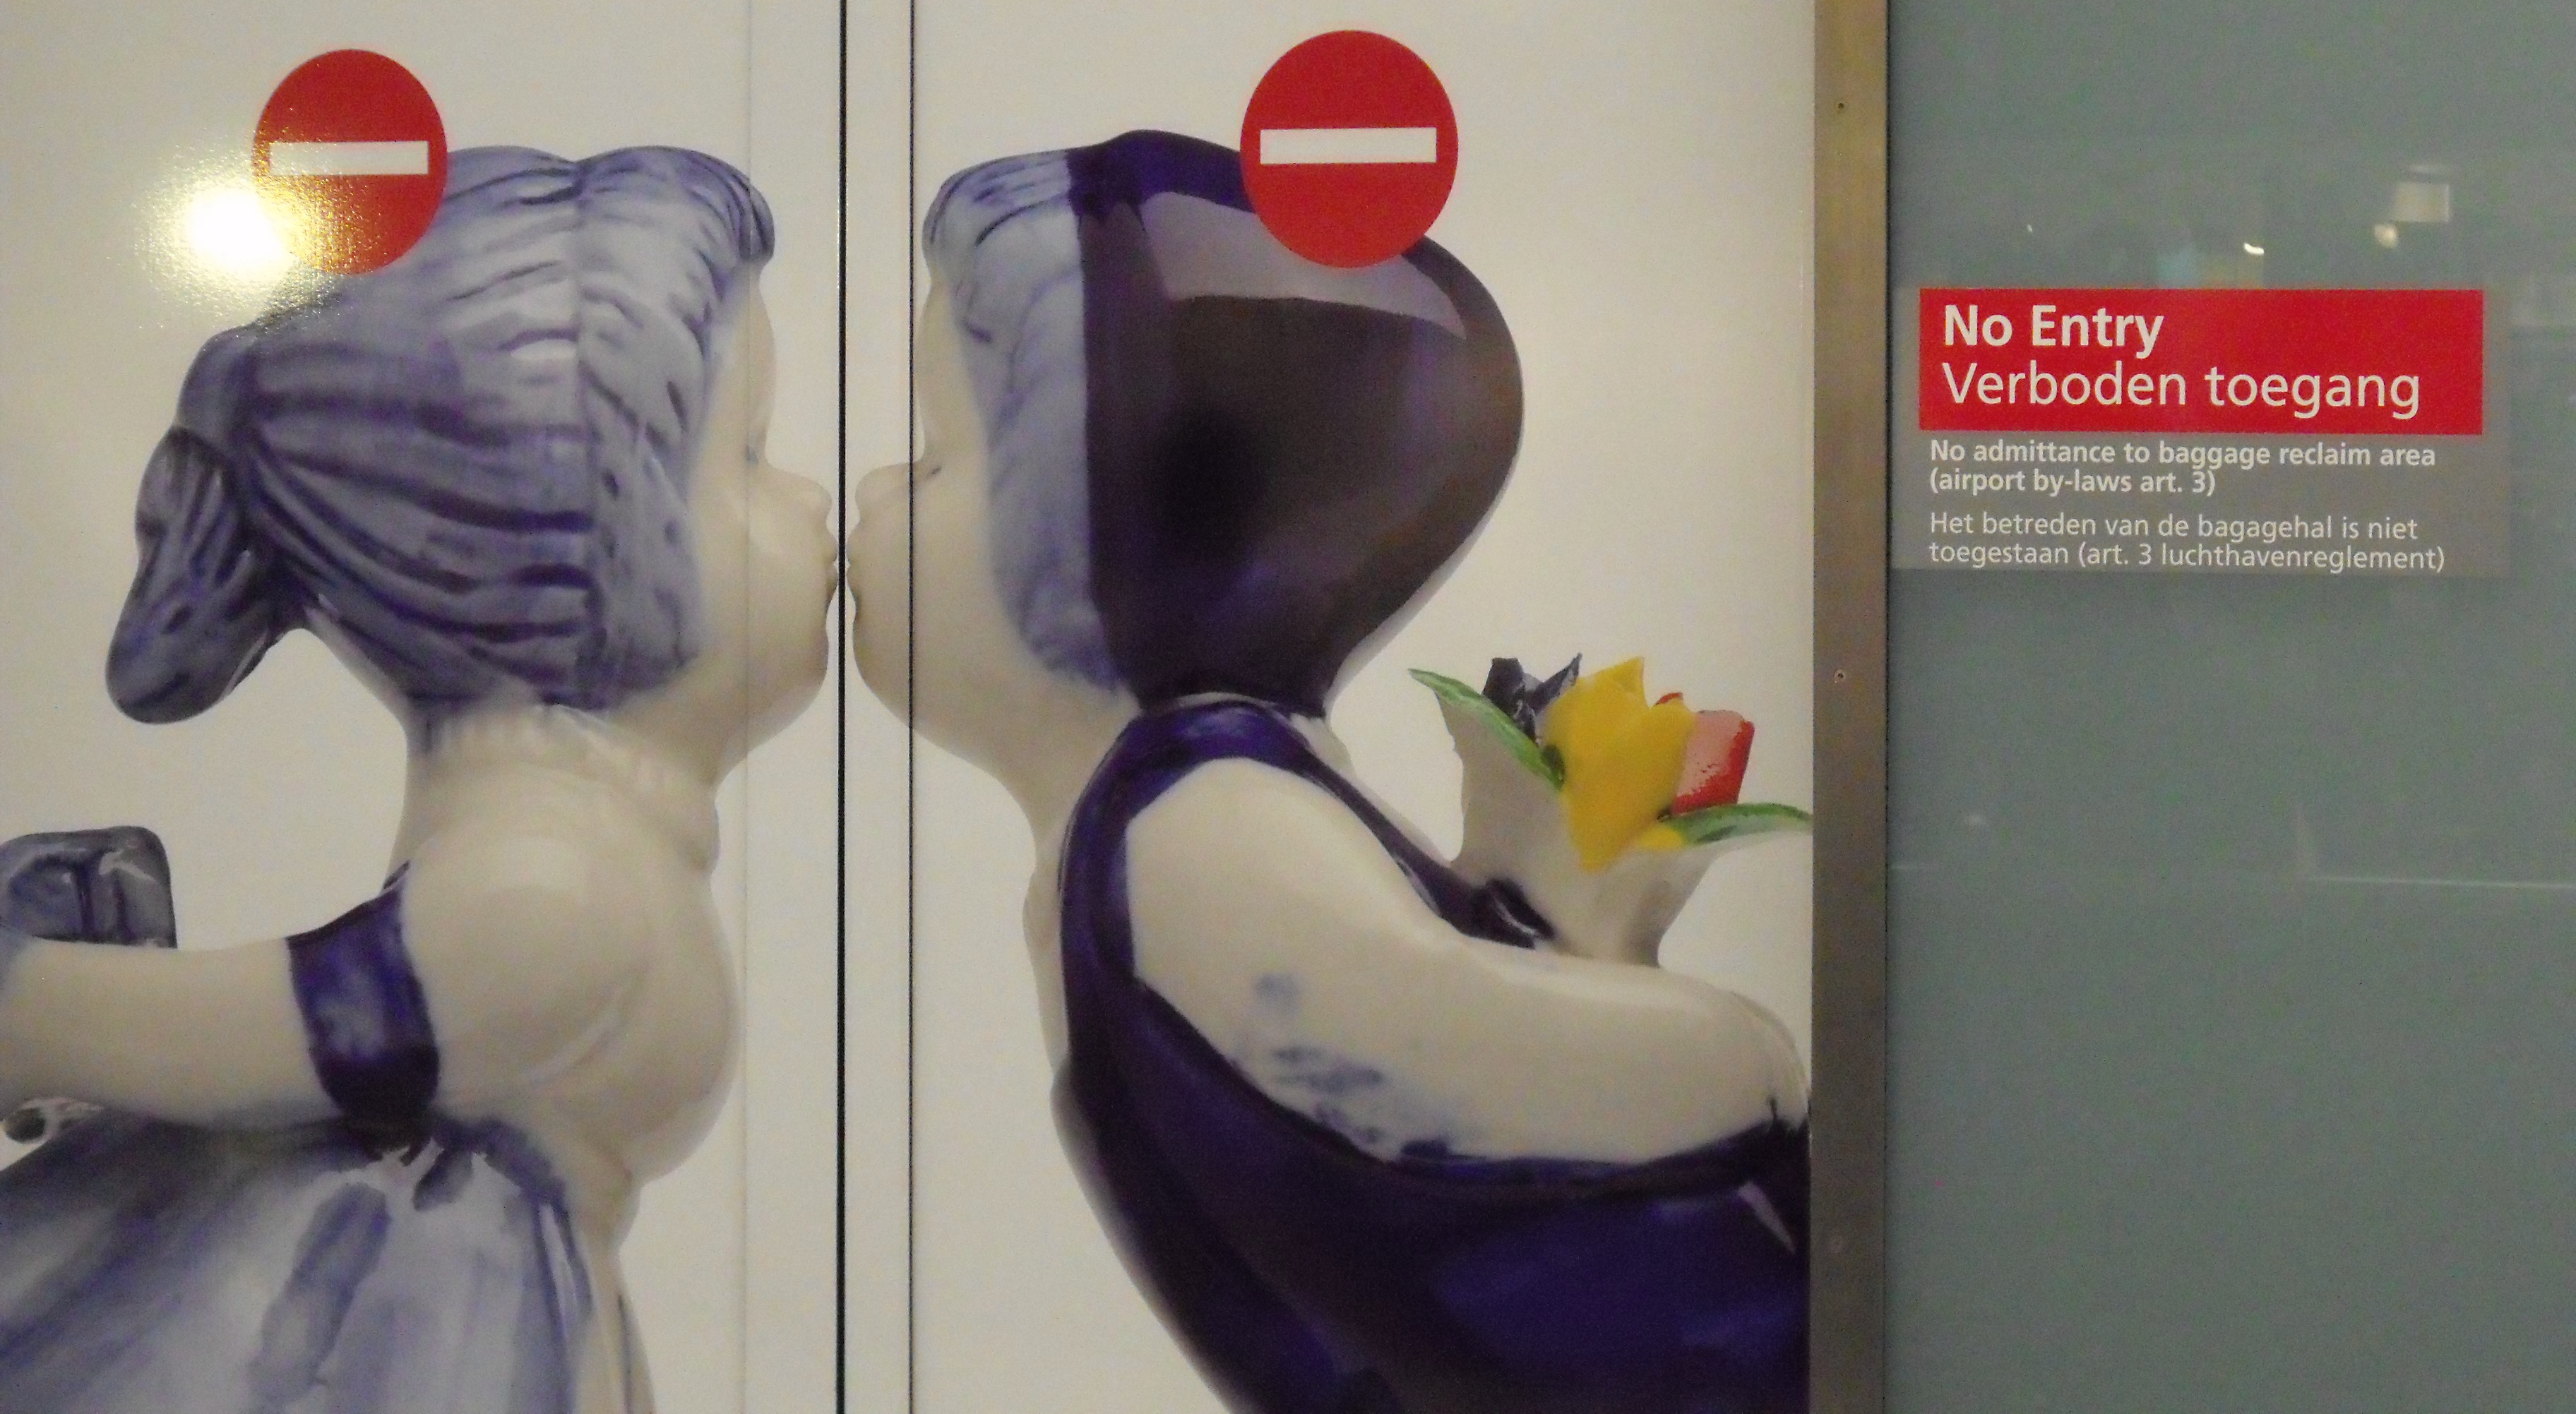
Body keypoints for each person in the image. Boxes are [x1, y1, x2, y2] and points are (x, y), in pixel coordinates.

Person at [849, 131, 1809, 1414]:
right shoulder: (1188, 809)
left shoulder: (1203, 829)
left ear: (1111, 527)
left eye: (935, 457)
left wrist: (1732, 1055)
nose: (872, 491)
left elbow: (1449, 1036)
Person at [0, 145, 835, 1414]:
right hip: (407, 1340)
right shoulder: (549, 891)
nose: (816, 502)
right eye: (752, 457)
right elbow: (271, 1033)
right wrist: (39, 1002)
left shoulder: (587, 851)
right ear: (574, 552)